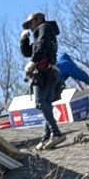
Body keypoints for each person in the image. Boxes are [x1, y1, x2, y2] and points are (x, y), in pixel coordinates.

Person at [20, 11, 64, 147]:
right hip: (51, 72)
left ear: (38, 19)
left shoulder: (44, 28)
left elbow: (42, 45)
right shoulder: (43, 32)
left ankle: (56, 133)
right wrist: (24, 41)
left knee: (40, 103)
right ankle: (46, 137)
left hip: (43, 73)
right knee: (46, 105)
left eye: (30, 23)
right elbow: (28, 52)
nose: (30, 27)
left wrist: (34, 61)